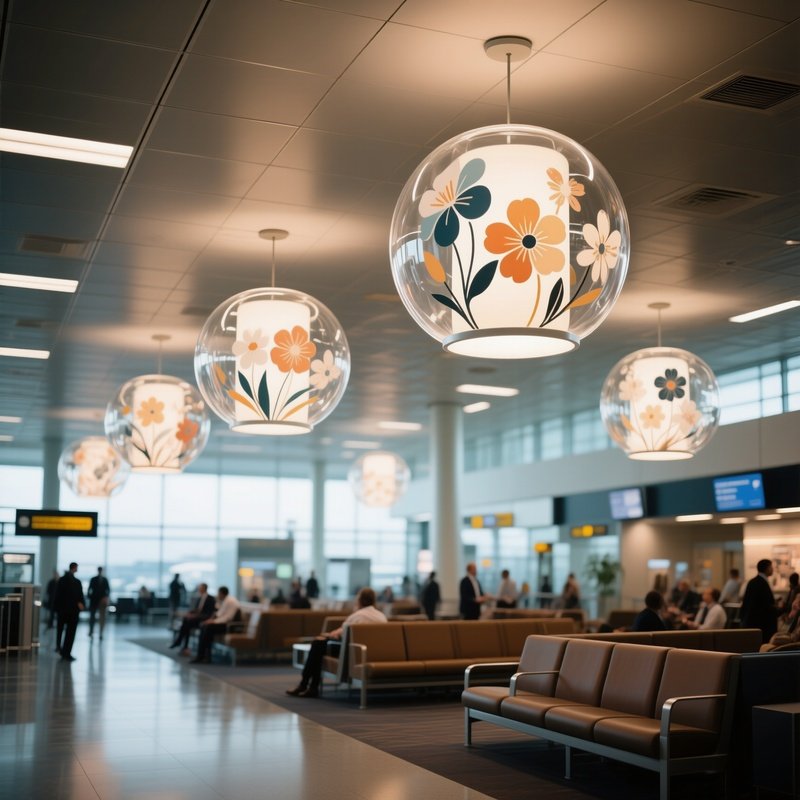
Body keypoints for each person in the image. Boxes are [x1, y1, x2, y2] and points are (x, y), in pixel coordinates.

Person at [286, 587, 387, 698]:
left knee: (317, 645)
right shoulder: (381, 616)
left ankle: (307, 685)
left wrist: (329, 635)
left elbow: (340, 634)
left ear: (359, 600)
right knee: (319, 645)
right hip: (374, 653)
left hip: (353, 652)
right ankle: (309, 686)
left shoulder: (357, 616)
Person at [191, 587, 242, 664]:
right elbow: (219, 614)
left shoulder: (230, 601)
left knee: (207, 628)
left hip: (230, 626)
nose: (217, 595)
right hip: (224, 624)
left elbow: (228, 617)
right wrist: (212, 621)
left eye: (218, 593)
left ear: (221, 593)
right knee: (205, 627)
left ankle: (203, 656)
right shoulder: (226, 600)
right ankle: (204, 656)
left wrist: (213, 622)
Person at [169, 583, 215, 653]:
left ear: (204, 588)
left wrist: (195, 616)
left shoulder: (210, 598)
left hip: (203, 619)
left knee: (187, 623)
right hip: (197, 618)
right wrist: (190, 613)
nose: (199, 589)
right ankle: (183, 645)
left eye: (200, 588)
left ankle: (180, 643)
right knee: (186, 622)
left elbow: (208, 613)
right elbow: (197, 609)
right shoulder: (200, 598)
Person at [53, 562, 85, 662]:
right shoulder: (76, 582)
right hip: (72, 611)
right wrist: (81, 605)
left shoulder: (62, 580)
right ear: (74, 568)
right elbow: (79, 596)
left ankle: (61, 648)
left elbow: (57, 596)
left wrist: (55, 609)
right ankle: (66, 652)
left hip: (63, 610)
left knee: (61, 630)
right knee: (70, 633)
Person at [741, 559, 779, 643]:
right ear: (767, 568)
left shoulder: (753, 582)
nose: (772, 569)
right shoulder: (761, 583)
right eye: (771, 567)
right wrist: (779, 610)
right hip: (761, 624)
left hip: (754, 623)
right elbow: (764, 605)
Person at [87, 567, 110, 640]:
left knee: (102, 618)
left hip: (102, 601)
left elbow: (108, 590)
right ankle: (91, 631)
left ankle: (101, 632)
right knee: (92, 617)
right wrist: (90, 597)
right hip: (94, 600)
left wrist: (105, 598)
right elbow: (89, 589)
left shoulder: (105, 580)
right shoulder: (93, 579)